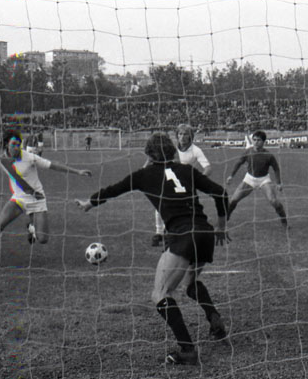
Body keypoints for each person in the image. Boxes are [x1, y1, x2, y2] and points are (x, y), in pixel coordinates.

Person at [75, 132, 230, 366]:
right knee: (190, 284)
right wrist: (221, 227)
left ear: (148, 154)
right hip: (204, 232)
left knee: (160, 294)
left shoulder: (143, 175)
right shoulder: (187, 170)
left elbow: (114, 189)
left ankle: (187, 350)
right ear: (173, 151)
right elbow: (221, 193)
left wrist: (90, 203)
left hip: (183, 235)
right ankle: (214, 318)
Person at [0, 129, 92, 270]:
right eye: (13, 144)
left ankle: (31, 228)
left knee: (43, 239)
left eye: (18, 144)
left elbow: (52, 165)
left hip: (37, 199)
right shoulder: (1, 160)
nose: (17, 147)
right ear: (6, 144)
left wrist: (77, 171)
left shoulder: (29, 157)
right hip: (18, 199)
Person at [151, 124, 212, 247]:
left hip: (184, 185)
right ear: (177, 135)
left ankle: (172, 233)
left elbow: (208, 168)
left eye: (185, 134)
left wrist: (198, 180)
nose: (183, 137)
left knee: (181, 210)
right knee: (160, 205)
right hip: (169, 180)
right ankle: (159, 232)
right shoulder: (171, 148)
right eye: (180, 134)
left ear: (190, 136)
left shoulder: (196, 150)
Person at [226, 130, 287, 227]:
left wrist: (278, 183)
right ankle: (225, 219)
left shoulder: (269, 155)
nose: (256, 142)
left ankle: (284, 221)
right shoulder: (248, 152)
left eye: (258, 140)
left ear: (263, 142)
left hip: (264, 180)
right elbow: (238, 163)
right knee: (233, 200)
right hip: (249, 179)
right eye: (254, 140)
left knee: (273, 201)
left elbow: (276, 168)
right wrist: (231, 176)